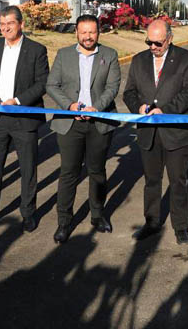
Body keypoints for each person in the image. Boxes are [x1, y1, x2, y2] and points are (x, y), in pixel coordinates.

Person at [123, 19, 188, 245]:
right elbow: (129, 93)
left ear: (169, 39)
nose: (153, 47)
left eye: (158, 43)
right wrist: (137, 107)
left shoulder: (187, 59)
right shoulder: (138, 61)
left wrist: (164, 110)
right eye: (149, 42)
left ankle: (180, 226)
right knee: (151, 181)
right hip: (149, 133)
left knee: (178, 182)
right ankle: (152, 222)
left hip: (177, 133)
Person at [46, 14, 120, 243]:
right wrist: (69, 106)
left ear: (98, 32)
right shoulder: (63, 55)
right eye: (84, 32)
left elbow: (112, 86)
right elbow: (52, 85)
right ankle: (64, 222)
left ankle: (98, 216)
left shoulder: (109, 55)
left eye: (92, 32)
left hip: (98, 122)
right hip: (70, 124)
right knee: (69, 173)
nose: (88, 36)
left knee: (97, 171)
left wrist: (96, 107)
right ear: (76, 32)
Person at [0, 5, 49, 234]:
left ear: (21, 24)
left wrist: (17, 100)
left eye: (10, 24)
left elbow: (41, 83)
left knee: (27, 170)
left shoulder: (36, 50)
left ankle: (27, 213)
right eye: (2, 24)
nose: (5, 28)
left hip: (23, 119)